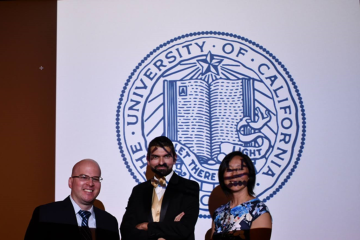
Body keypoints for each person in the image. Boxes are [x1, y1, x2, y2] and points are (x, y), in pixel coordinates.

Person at [120, 136, 200, 240]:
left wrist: (147, 226)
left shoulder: (189, 187)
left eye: (166, 156)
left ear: (175, 158)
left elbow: (184, 228)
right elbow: (126, 230)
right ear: (148, 160)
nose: (161, 162)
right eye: (156, 157)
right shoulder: (138, 191)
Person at [25, 159, 120, 240]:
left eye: (95, 178)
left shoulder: (110, 222)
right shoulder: (45, 214)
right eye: (84, 177)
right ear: (70, 182)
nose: (90, 183)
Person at [211, 151, 272, 240]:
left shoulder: (258, 211)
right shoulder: (219, 213)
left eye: (240, 169)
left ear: (249, 175)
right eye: (229, 169)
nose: (234, 174)